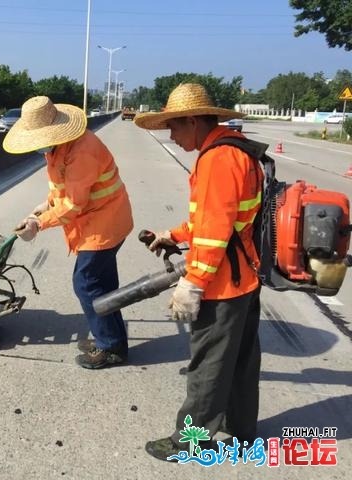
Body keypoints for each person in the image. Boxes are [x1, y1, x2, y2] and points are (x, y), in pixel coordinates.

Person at [133, 83, 262, 461]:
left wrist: (193, 283)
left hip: (223, 284)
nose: (171, 136)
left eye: (174, 127)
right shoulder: (236, 150)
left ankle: (191, 440)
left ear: (193, 120)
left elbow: (216, 233)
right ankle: (241, 429)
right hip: (246, 278)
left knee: (207, 365)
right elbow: (213, 222)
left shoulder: (217, 161)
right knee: (239, 361)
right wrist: (171, 235)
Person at [2, 96, 134, 369]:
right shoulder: (60, 149)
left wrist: (39, 224)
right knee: (103, 286)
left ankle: (110, 347)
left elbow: (74, 204)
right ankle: (112, 340)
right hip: (103, 220)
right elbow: (62, 190)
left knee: (86, 283)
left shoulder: (81, 151)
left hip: (104, 223)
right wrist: (44, 206)